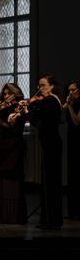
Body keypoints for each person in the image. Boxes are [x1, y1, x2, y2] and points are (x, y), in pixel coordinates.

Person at [9, 73, 63, 230]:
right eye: (39, 86)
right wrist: (25, 110)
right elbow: (37, 115)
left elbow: (38, 123)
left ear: (52, 86)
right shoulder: (47, 102)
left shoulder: (51, 101)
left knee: (50, 182)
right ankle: (50, 219)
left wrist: (25, 111)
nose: (40, 89)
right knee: (49, 182)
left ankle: (52, 221)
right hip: (50, 144)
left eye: (43, 85)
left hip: (52, 144)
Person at [0, 83, 27, 224]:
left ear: (15, 93)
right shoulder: (2, 107)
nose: (5, 96)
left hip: (14, 147)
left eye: (8, 93)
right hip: (1, 145)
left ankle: (13, 215)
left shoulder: (19, 108)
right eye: (4, 94)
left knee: (11, 178)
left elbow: (11, 128)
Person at [63, 80, 80, 220]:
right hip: (71, 139)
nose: (70, 93)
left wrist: (69, 106)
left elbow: (76, 121)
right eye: (69, 90)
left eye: (73, 90)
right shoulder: (72, 103)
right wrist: (67, 104)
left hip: (78, 139)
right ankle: (72, 212)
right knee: (72, 174)